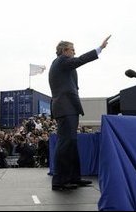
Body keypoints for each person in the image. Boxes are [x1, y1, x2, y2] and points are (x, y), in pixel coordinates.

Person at [48, 35, 111, 190]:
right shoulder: (62, 61)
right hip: (65, 108)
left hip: (68, 107)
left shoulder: (63, 64)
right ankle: (59, 181)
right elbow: (80, 60)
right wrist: (99, 49)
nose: (75, 52)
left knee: (72, 144)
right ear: (64, 51)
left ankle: (74, 177)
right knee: (65, 144)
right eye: (72, 49)